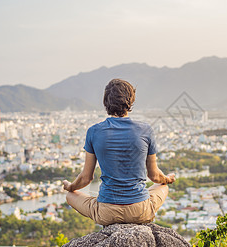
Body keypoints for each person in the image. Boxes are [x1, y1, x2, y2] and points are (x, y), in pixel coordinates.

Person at [62, 79, 175, 226]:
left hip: (107, 212)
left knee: (71, 196)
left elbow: (86, 178)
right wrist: (168, 179)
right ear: (131, 101)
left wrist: (70, 186)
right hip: (140, 210)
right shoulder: (145, 130)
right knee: (162, 186)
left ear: (106, 103)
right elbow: (154, 176)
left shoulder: (94, 131)